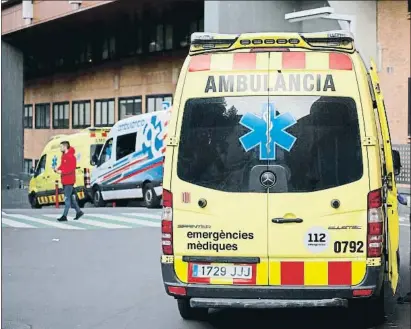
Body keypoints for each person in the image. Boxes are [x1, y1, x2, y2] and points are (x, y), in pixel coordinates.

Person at [54, 141, 84, 222]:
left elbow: (70, 169)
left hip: (69, 181)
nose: (60, 148)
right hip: (65, 181)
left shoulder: (71, 157)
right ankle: (79, 212)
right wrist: (57, 168)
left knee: (67, 199)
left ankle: (64, 216)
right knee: (71, 199)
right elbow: (63, 166)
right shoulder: (64, 156)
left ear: (65, 147)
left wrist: (61, 171)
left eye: (61, 147)